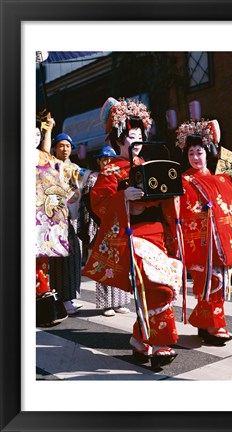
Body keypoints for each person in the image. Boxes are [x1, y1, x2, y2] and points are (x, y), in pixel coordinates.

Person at [83, 97, 183, 369]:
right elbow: (99, 203)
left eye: (139, 137)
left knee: (157, 286)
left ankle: (140, 340)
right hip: (133, 235)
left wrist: (171, 194)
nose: (135, 142)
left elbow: (169, 203)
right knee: (156, 287)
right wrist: (123, 197)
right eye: (130, 137)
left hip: (157, 235)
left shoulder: (152, 165)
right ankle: (161, 342)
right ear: (117, 140)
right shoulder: (111, 170)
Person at [175, 119, 232, 345]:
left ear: (208, 154)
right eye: (192, 153)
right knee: (208, 283)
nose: (196, 157)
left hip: (221, 242)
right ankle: (213, 326)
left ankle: (207, 325)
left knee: (220, 283)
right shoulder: (184, 181)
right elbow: (180, 209)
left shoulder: (221, 179)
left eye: (200, 152)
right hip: (200, 243)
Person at [77, 145, 131, 317]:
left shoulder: (120, 172)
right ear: (99, 161)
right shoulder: (94, 177)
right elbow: (91, 203)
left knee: (120, 261)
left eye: (110, 159)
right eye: (104, 159)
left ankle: (120, 301)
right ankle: (106, 304)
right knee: (105, 263)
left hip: (119, 221)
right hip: (101, 221)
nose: (108, 162)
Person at [45, 133, 86, 315]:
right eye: (61, 145)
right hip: (53, 219)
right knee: (57, 261)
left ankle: (68, 298)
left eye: (68, 146)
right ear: (54, 148)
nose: (65, 149)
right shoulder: (49, 166)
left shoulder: (75, 168)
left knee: (72, 258)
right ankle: (60, 299)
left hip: (71, 218)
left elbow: (79, 191)